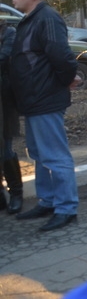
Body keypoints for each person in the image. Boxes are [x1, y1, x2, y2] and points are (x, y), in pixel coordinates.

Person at [10, 0, 79, 231]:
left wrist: (64, 81)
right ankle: (48, 201)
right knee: (39, 155)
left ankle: (66, 208)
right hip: (32, 101)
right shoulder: (30, 20)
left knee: (55, 156)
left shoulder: (47, 18)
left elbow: (62, 57)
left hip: (45, 99)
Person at [0, 17, 23, 214]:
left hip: (4, 101)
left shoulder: (8, 33)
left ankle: (16, 192)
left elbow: (4, 58)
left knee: (5, 148)